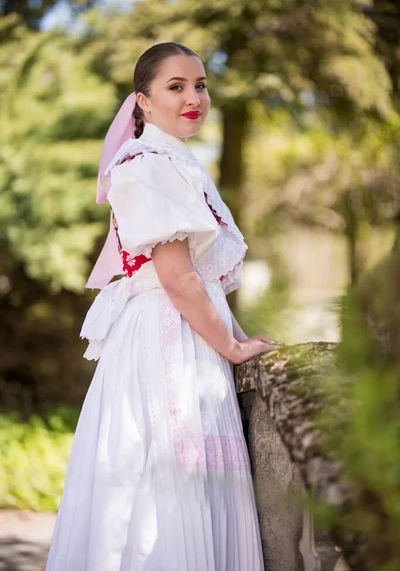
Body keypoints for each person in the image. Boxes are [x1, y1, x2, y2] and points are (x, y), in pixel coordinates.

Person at [46, 41, 280, 571]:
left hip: (187, 337)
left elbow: (207, 283)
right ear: (142, 102)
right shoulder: (149, 164)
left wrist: (235, 337)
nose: (193, 96)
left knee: (183, 488)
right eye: (175, 87)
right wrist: (234, 346)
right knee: (165, 492)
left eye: (200, 84)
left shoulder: (177, 162)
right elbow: (177, 278)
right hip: (167, 343)